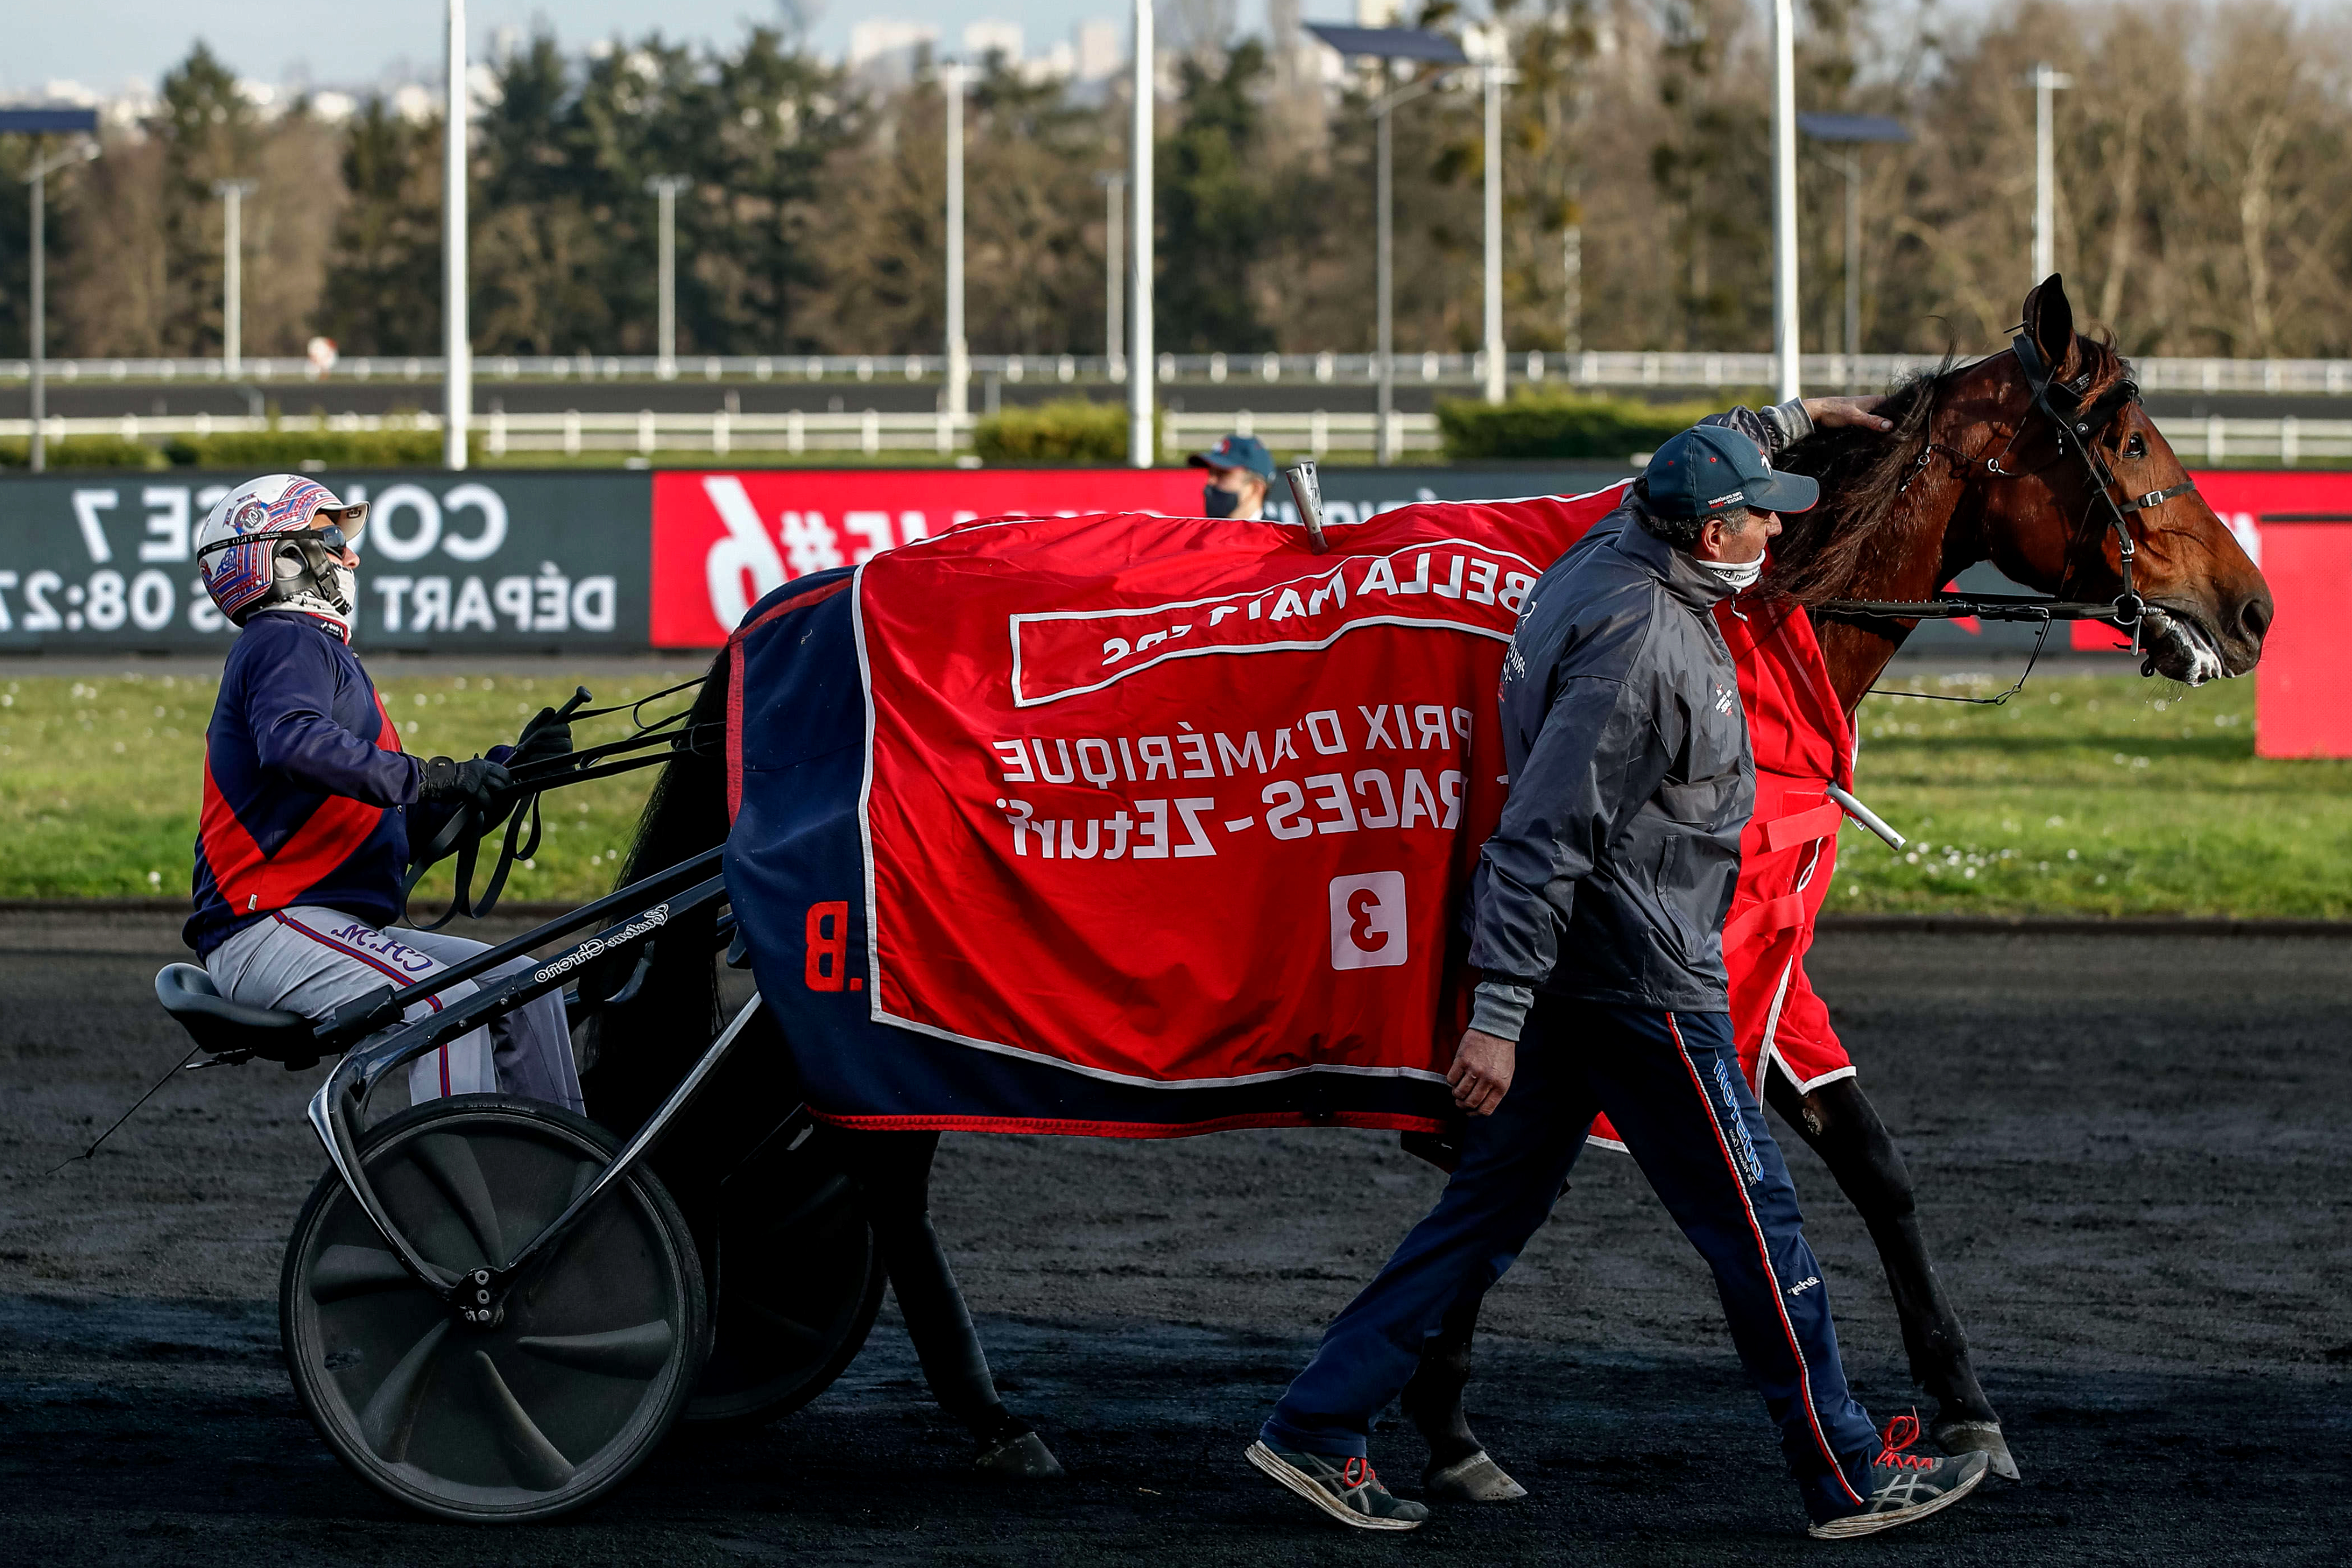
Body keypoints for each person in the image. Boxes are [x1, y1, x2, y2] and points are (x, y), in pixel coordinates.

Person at [1246, 398, 1992, 1539]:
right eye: (1758, 521)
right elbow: (1541, 835)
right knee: (1760, 1223)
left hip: (1585, 976)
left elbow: (1674, 467)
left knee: (1482, 1216)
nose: (1778, 538)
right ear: (1704, 537)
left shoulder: (1608, 552)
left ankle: (1316, 1424)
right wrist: (1495, 1016)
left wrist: (1784, 420)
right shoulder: (1644, 644)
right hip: (1639, 983)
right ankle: (1846, 1473)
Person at [185, 474, 583, 1112]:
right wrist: (439, 775)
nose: (351, 556)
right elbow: (291, 744)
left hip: (314, 923)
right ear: (287, 559)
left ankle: (565, 1167)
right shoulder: (283, 639)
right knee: (448, 1005)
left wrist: (510, 775)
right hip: (269, 926)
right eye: (330, 539)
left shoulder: (319, 658)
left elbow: (400, 822)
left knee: (521, 984)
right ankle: (464, 1194)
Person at [1188, 433, 1277, 520]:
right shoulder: (1200, 533)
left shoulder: (1279, 534)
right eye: (1211, 473)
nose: (1210, 481)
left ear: (1256, 488)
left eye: (1222, 474)